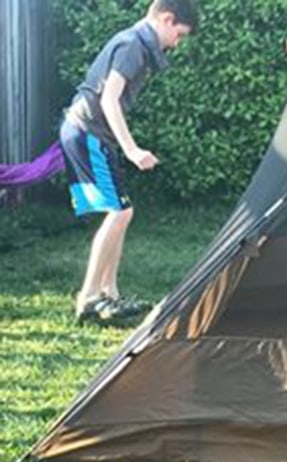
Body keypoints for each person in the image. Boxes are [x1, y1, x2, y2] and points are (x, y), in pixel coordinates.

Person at [59, 0, 198, 323]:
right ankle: (90, 298)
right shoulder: (133, 44)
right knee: (121, 212)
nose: (176, 43)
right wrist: (132, 149)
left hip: (87, 132)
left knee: (119, 211)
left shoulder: (134, 42)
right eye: (178, 35)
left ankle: (110, 295)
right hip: (87, 132)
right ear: (166, 19)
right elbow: (109, 99)